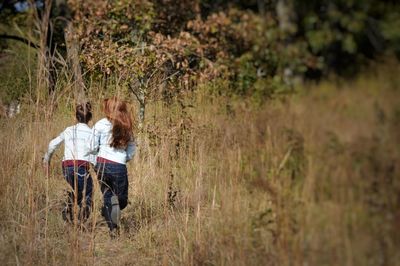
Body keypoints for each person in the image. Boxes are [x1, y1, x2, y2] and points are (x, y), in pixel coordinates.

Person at [87, 97, 135, 235]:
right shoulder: (127, 125)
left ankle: (112, 228)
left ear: (108, 109)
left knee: (108, 195)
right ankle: (113, 211)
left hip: (101, 164)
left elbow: (91, 146)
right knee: (122, 199)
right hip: (119, 165)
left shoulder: (100, 124)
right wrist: (125, 158)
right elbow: (132, 146)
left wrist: (95, 157)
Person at [43, 102, 95, 222]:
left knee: (74, 189)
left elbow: (52, 144)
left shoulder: (68, 130)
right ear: (90, 118)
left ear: (76, 117)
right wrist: (96, 167)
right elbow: (94, 152)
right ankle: (82, 221)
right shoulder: (91, 132)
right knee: (88, 191)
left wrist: (46, 159)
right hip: (82, 166)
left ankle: (68, 208)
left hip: (66, 166)